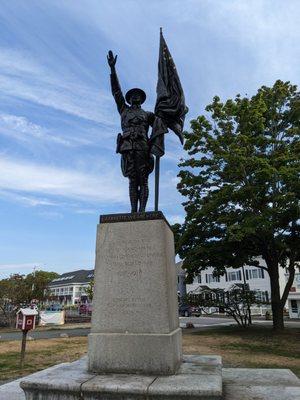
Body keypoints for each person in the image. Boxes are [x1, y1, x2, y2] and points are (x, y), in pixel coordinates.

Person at [107, 50, 154, 213]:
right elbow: (116, 92)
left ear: (141, 98)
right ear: (129, 98)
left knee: (144, 180)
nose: (135, 97)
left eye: (137, 95)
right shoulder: (124, 111)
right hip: (127, 146)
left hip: (143, 146)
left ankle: (142, 210)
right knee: (132, 180)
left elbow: (161, 125)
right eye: (132, 95)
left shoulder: (148, 115)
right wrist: (113, 70)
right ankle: (134, 210)